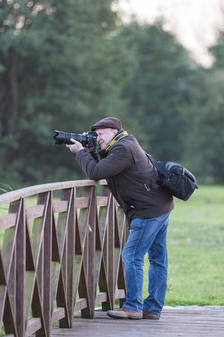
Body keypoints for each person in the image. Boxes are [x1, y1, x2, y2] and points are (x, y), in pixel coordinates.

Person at [66, 117, 174, 320]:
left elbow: (96, 172)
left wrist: (81, 152)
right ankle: (153, 309)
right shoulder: (125, 144)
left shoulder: (123, 149)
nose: (97, 138)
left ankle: (133, 306)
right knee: (158, 259)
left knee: (132, 255)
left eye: (100, 134)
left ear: (114, 132)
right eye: (95, 135)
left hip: (148, 211)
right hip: (160, 205)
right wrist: (90, 151)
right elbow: (106, 168)